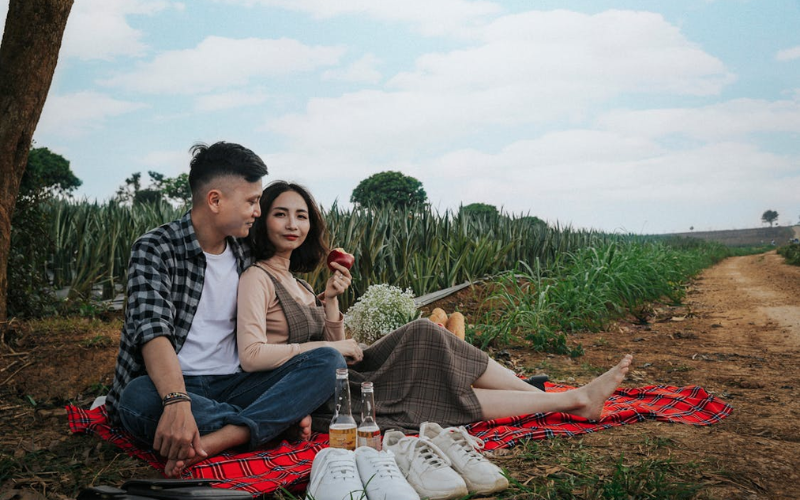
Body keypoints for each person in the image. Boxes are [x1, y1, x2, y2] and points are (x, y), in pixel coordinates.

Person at [236, 180, 632, 433]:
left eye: (301, 216)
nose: (292, 224)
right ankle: (572, 400)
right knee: (431, 391)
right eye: (280, 214)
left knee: (425, 330)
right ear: (262, 221)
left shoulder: (300, 283)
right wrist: (333, 348)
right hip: (315, 391)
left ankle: (531, 392)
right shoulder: (257, 278)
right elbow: (252, 356)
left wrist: (333, 301)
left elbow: (331, 341)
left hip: (338, 371)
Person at [105, 143, 345, 478]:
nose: (257, 212)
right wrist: (176, 401)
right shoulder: (156, 248)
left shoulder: (245, 252)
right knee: (135, 399)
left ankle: (225, 437)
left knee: (328, 362)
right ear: (215, 201)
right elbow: (152, 331)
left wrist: (329, 300)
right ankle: (270, 422)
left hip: (238, 383)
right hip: (176, 384)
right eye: (251, 201)